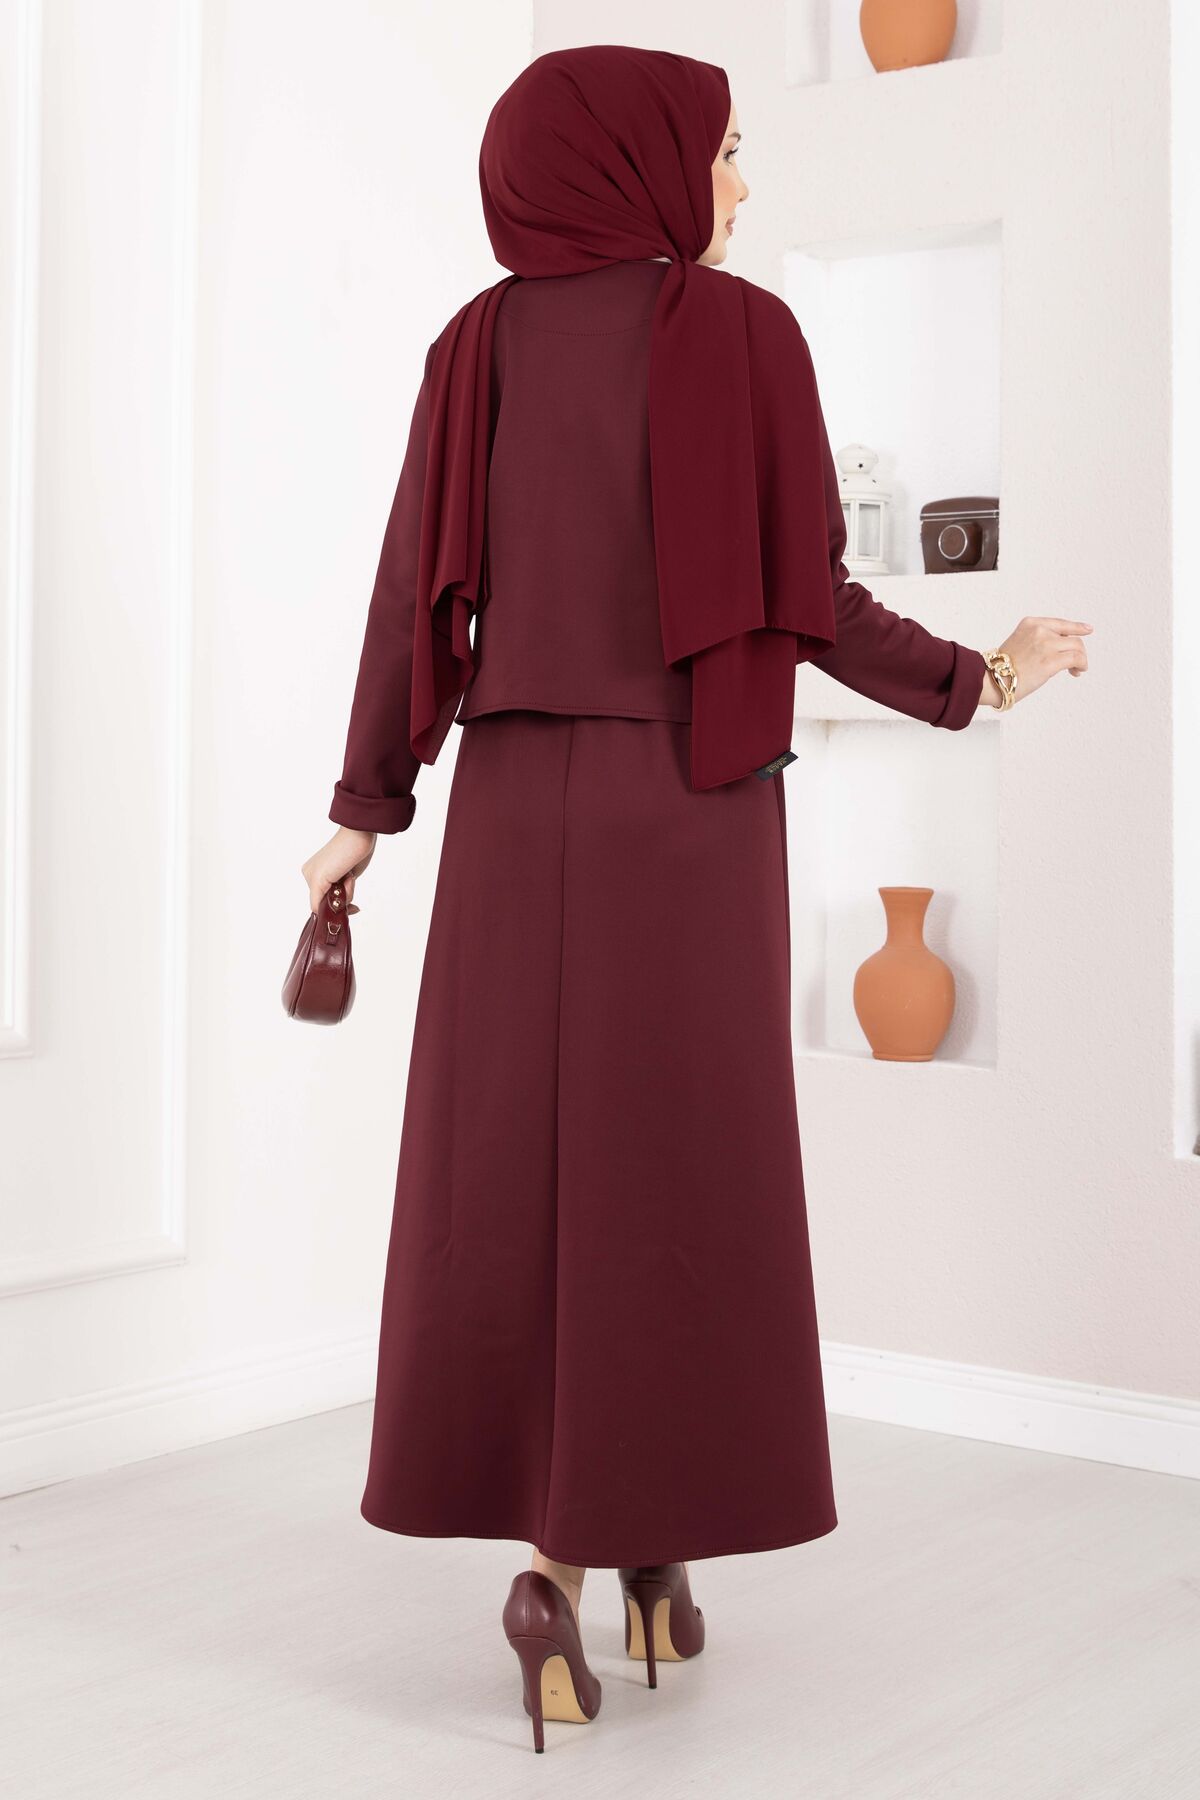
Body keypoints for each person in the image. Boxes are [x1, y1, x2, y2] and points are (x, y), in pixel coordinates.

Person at [300, 46, 1092, 1755]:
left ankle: (588, 1563)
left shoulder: (474, 344)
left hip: (516, 815)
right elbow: (812, 594)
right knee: (677, 1174)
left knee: (523, 1174)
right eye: (727, 152)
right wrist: (983, 677)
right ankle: (621, 1555)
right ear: (643, 162)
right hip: (693, 809)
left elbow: (411, 595)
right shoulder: (744, 335)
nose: (742, 186)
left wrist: (365, 811)